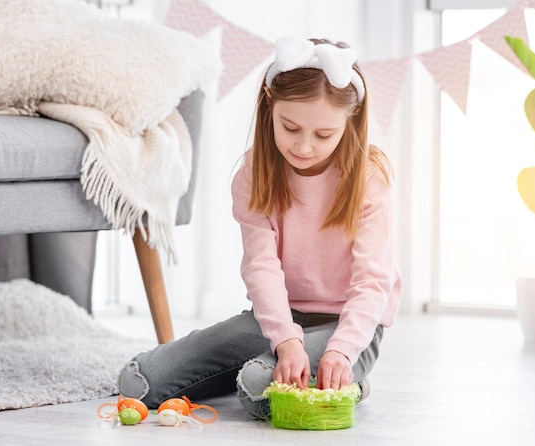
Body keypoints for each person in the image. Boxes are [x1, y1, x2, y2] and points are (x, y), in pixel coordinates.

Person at [117, 36, 402, 419]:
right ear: (269, 103)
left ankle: (342, 377)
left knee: (259, 389)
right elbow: (261, 267)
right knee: (141, 381)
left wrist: (341, 350)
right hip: (276, 315)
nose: (303, 147)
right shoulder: (254, 174)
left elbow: (372, 281)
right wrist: (285, 340)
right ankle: (297, 368)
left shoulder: (369, 176)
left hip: (347, 325)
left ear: (350, 121)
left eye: (323, 135)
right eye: (290, 127)